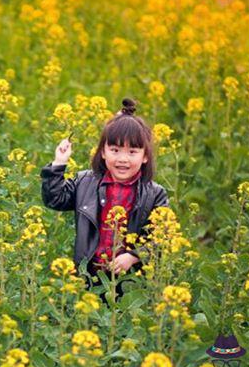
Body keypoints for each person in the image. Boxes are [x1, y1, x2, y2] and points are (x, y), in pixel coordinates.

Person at [40, 98, 169, 297]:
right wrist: (58, 164)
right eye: (115, 150)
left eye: (132, 152)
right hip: (88, 277)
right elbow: (54, 199)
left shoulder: (155, 194)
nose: (122, 159)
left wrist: (134, 256)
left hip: (130, 282)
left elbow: (162, 237)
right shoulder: (85, 182)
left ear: (145, 157)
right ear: (102, 152)